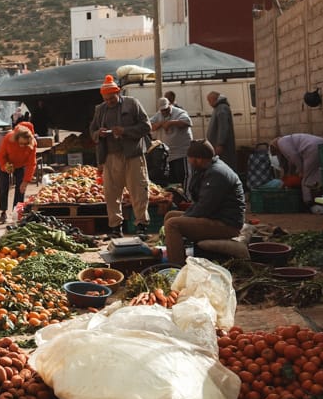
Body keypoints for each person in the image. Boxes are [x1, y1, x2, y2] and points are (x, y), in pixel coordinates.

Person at [162, 140, 245, 265]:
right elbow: (201, 202)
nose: (188, 161)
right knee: (171, 216)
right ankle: (175, 250)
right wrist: (186, 216)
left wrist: (185, 217)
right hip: (216, 216)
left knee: (172, 224)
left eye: (190, 158)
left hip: (227, 224)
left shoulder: (217, 174)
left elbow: (204, 207)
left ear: (199, 159)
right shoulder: (208, 168)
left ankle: (177, 266)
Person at [89, 75, 151, 238]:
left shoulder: (132, 104)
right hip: (110, 157)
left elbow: (146, 126)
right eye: (106, 99)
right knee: (111, 193)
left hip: (133, 155)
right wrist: (99, 134)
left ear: (119, 93)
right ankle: (116, 227)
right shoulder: (100, 110)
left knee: (138, 190)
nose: (109, 101)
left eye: (112, 98)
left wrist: (125, 131)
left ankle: (141, 225)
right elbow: (92, 132)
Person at [0, 122, 37, 225]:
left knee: (21, 188)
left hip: (20, 165)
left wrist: (26, 181)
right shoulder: (9, 138)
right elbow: (0, 156)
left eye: (25, 144)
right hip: (5, 162)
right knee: (4, 185)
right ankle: (3, 212)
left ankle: (17, 212)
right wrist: (5, 166)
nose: (23, 146)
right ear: (17, 138)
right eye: (21, 143)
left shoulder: (32, 144)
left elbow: (32, 164)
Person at [272, 133, 323, 205]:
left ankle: (308, 202)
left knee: (306, 178)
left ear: (275, 148)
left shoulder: (281, 142)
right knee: (322, 174)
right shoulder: (288, 139)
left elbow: (293, 156)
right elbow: (290, 161)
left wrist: (301, 170)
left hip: (312, 148)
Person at [149, 97, 193, 187]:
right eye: (162, 110)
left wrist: (171, 123)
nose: (164, 112)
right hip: (167, 154)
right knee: (170, 179)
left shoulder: (180, 112)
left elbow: (187, 122)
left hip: (181, 153)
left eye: (166, 109)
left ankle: (186, 194)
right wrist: (161, 123)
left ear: (170, 105)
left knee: (182, 176)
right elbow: (149, 126)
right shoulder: (158, 115)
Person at [205, 91, 236, 165]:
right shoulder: (219, 107)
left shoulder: (221, 108)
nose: (209, 103)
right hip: (218, 146)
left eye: (209, 101)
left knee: (224, 164)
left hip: (222, 148)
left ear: (214, 99)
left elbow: (223, 127)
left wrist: (220, 144)